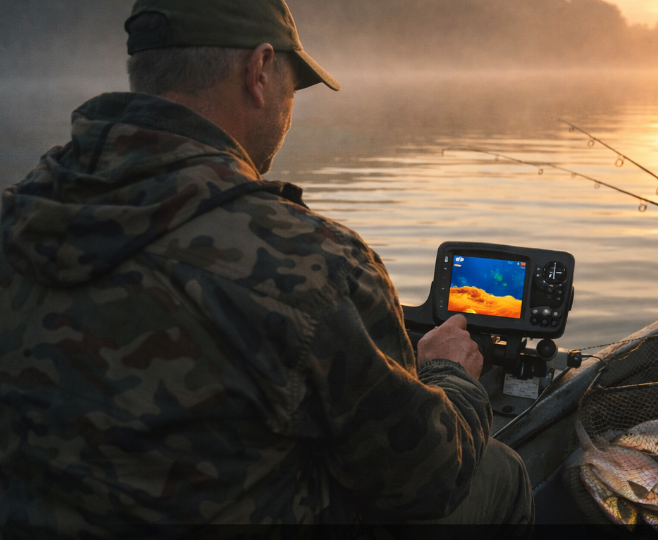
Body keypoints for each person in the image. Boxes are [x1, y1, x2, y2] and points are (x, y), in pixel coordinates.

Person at [0, 0, 532, 536]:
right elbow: (429, 477)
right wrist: (448, 376)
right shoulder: (312, 263)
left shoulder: (18, 215)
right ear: (258, 72)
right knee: (500, 473)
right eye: (291, 85)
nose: (288, 106)